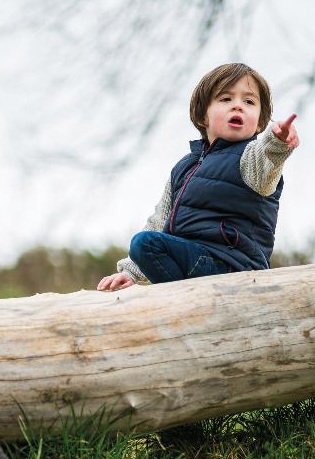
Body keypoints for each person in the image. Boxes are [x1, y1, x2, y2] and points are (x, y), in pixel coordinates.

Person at [97, 63, 300, 291]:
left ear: (260, 122)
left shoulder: (250, 156)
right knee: (144, 243)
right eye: (226, 99)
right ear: (203, 115)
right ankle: (184, 302)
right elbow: (159, 220)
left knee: (145, 243)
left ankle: (179, 300)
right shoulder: (185, 167)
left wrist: (277, 143)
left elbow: (267, 165)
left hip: (234, 266)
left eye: (249, 102)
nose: (238, 106)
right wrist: (132, 272)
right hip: (192, 258)